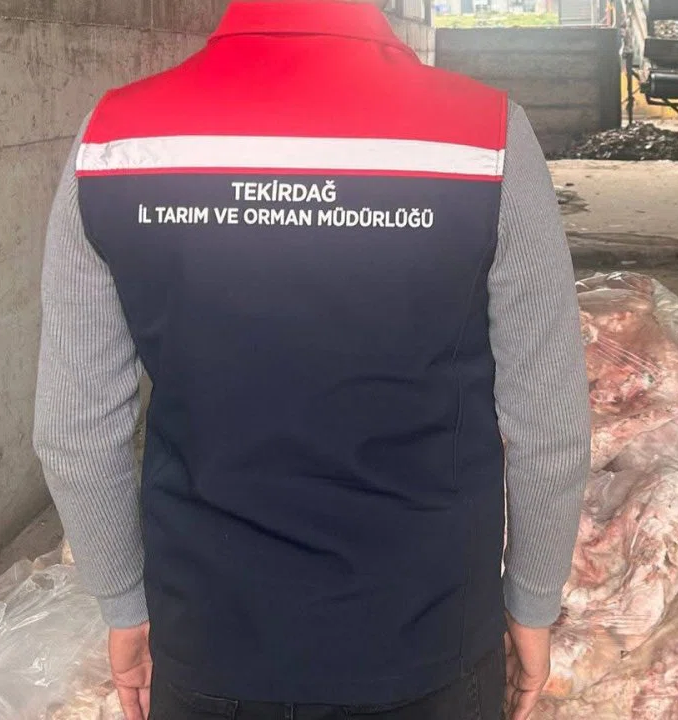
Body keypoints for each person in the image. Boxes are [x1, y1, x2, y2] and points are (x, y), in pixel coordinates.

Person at [32, 2, 591, 719]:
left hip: (209, 634)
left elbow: (75, 432)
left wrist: (122, 600)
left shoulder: (114, 142)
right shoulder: (487, 138)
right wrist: (533, 602)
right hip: (427, 635)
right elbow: (547, 423)